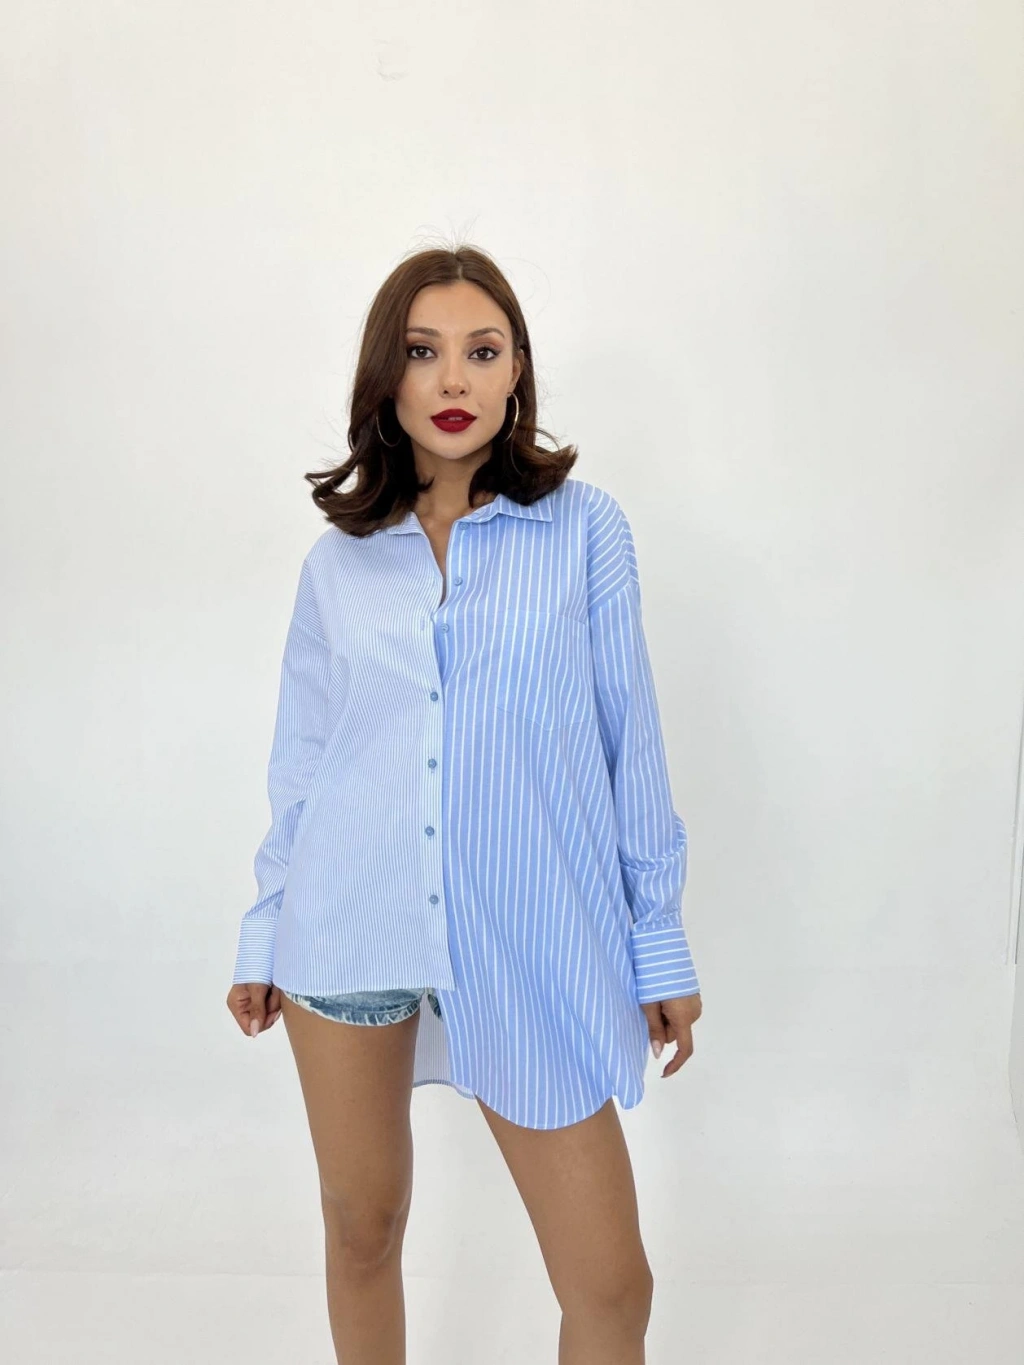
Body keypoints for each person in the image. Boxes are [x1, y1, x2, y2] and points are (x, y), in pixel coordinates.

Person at [225, 243, 702, 1364]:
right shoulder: (338, 564)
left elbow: (629, 742)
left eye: (482, 352)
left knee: (610, 1284)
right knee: (363, 1227)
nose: (452, 380)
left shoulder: (585, 531)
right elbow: (305, 765)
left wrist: (658, 942)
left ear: (517, 371)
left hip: (527, 931)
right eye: (422, 352)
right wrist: (264, 928)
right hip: (348, 926)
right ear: (384, 378)